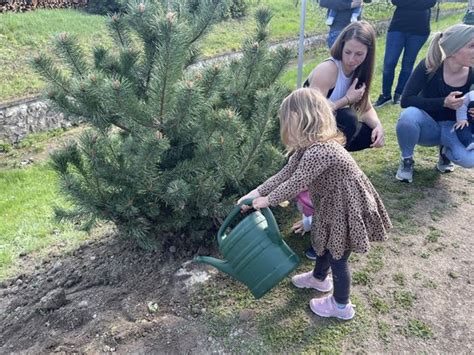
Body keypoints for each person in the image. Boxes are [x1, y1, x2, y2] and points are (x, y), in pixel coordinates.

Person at [238, 88, 392, 320]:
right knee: (325, 242)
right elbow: (283, 175)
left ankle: (341, 306)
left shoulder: (320, 151)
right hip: (332, 205)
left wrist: (267, 201)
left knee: (338, 256)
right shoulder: (306, 148)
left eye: (286, 122)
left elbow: (295, 183)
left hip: (347, 208)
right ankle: (319, 278)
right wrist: (254, 193)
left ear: (301, 120)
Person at [300, 20, 385, 259]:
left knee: (366, 130)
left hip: (331, 137)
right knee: (347, 117)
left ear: (368, 54)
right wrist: (346, 99)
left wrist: (378, 126)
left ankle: (333, 175)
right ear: (341, 46)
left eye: (359, 54)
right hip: (308, 135)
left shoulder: (359, 74)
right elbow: (314, 113)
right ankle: (317, 211)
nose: (352, 59)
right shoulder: (329, 69)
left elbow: (366, 107)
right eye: (348, 52)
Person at [395, 24, 474, 183]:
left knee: (470, 159)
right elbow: (406, 100)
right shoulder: (429, 66)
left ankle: (446, 152)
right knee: (408, 117)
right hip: (428, 128)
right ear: (454, 49)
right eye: (472, 46)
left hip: (456, 129)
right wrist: (443, 102)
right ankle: (407, 160)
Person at [374, 0, 437, 108]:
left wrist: (407, 3)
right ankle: (386, 95)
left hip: (419, 30)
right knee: (389, 63)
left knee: (408, 64)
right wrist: (417, 5)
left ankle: (400, 94)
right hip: (398, 26)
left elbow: (430, 3)